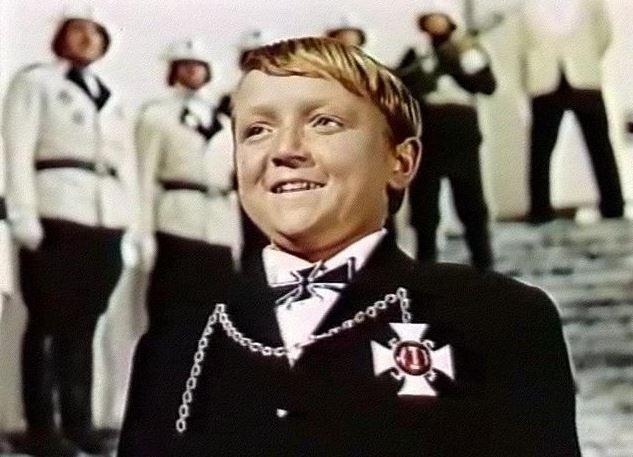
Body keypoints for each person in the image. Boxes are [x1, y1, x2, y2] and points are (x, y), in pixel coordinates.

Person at [118, 37, 580, 456]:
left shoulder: (499, 318)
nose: (285, 150)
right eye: (257, 130)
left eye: (324, 122)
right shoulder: (176, 342)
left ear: (400, 160)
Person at [2, 9, 143, 456]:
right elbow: (17, 148)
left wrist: (131, 225)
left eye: (94, 33)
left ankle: (79, 422)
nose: (86, 39)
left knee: (85, 325)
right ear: (60, 38)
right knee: (47, 321)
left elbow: (127, 164)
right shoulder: (37, 82)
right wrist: (22, 214)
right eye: (77, 30)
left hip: (104, 217)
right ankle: (41, 427)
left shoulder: (112, 94)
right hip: (54, 212)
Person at [136, 38, 239, 328]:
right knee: (172, 317)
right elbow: (143, 176)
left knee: (214, 320)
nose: (193, 71)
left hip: (219, 229)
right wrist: (142, 233)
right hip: (175, 223)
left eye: (198, 65)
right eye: (185, 65)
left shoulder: (225, 124)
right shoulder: (157, 116)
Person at [397, 12, 496, 270]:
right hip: (428, 131)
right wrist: (424, 80)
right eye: (430, 20)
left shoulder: (468, 50)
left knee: (471, 202)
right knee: (425, 205)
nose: (435, 25)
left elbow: (487, 86)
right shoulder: (418, 52)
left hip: (461, 129)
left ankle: (482, 263)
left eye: (440, 19)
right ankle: (425, 264)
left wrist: (455, 67)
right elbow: (401, 86)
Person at [520, 0, 624, 223]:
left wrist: (585, 57)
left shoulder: (592, 3)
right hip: (544, 82)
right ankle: (540, 211)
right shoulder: (527, 6)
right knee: (540, 149)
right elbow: (520, 44)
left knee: (600, 146)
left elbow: (603, 35)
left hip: (584, 78)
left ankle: (613, 206)